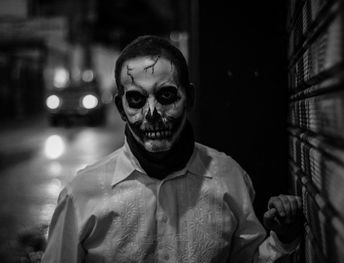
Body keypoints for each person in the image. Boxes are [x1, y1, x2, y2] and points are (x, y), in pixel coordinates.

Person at [42, 35, 303, 263]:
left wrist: (282, 239)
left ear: (189, 97)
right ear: (121, 108)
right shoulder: (81, 194)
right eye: (136, 99)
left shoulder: (229, 178)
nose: (152, 114)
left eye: (166, 96)